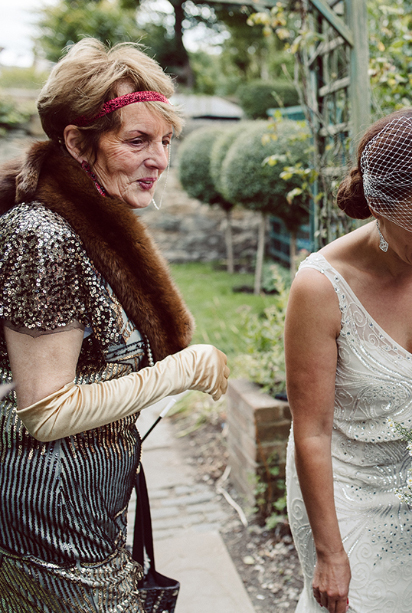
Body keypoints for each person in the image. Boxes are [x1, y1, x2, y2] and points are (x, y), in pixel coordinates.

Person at [0, 39, 229, 611]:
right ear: (78, 143)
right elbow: (45, 411)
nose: (161, 160)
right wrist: (179, 370)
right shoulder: (43, 235)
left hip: (89, 504)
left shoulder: (89, 227)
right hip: (49, 521)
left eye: (165, 141)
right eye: (137, 140)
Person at [284, 97, 412, 613]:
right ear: (382, 208)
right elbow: (311, 431)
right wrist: (330, 553)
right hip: (342, 487)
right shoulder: (320, 289)